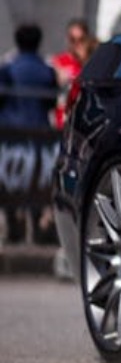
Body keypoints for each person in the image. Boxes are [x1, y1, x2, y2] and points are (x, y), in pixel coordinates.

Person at [0, 24, 58, 246]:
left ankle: (14, 231)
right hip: (39, 134)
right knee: (36, 185)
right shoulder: (47, 70)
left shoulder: (8, 68)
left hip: (11, 135)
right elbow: (51, 103)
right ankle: (34, 232)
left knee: (10, 184)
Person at [48, 18, 98, 129]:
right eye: (72, 40)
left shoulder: (90, 63)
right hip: (62, 120)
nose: (76, 44)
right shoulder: (59, 62)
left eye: (81, 40)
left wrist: (84, 60)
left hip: (83, 122)